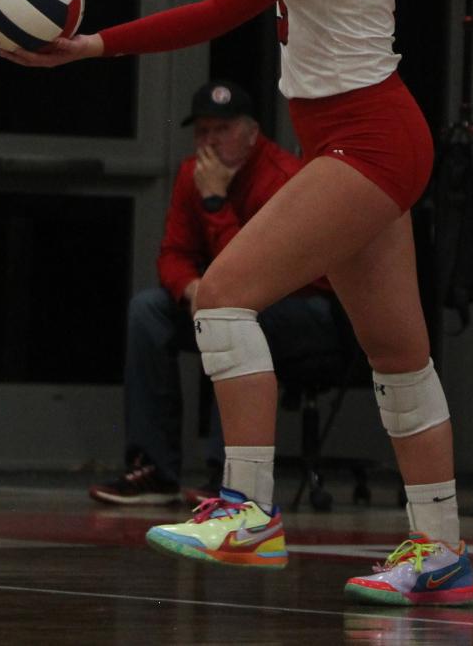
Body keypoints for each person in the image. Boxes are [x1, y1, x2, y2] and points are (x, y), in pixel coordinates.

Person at [4, 0, 473, 608]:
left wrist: (88, 45)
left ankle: (247, 506)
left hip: (367, 140)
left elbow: (223, 9)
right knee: (398, 355)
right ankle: (439, 547)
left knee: (221, 294)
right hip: (366, 138)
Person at [88, 78, 342, 506]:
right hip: (231, 298)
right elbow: (173, 253)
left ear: (251, 134)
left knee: (239, 315)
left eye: (221, 130)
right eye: (202, 131)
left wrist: (215, 203)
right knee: (148, 311)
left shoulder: (283, 178)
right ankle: (154, 469)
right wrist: (191, 290)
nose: (209, 142)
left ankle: (230, 477)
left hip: (307, 311)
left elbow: (260, 271)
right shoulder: (194, 175)